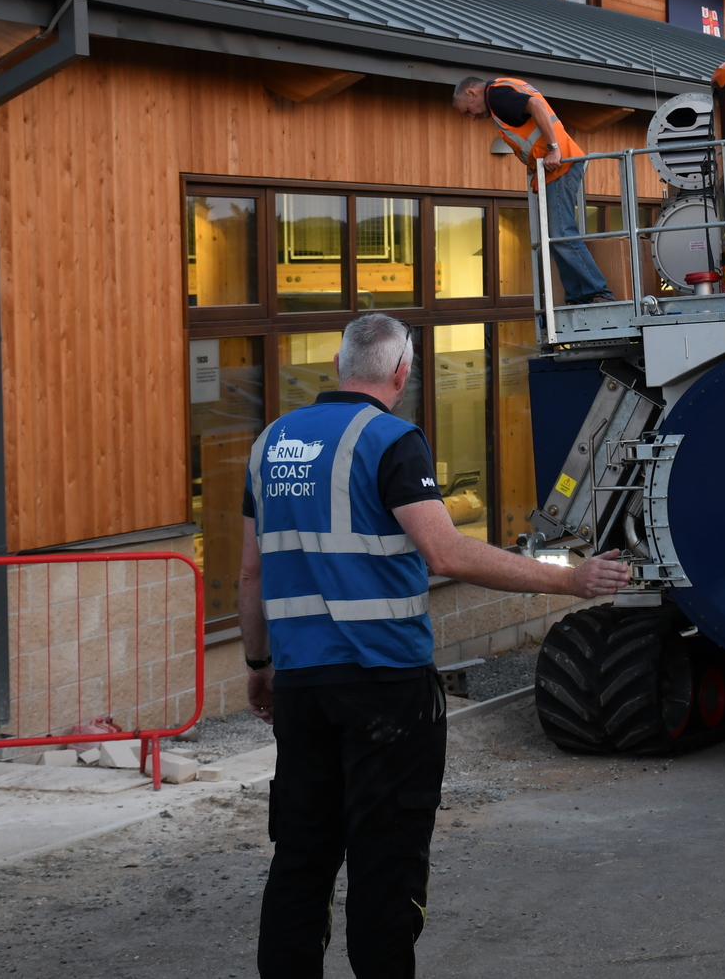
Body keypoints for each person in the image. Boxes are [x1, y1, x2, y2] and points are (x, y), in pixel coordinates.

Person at [238, 313, 627, 978]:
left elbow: (250, 572)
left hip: (302, 686)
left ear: (340, 367)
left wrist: (258, 664)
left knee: (301, 858)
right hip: (384, 689)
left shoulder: (270, 443)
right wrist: (570, 580)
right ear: (402, 372)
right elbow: (446, 553)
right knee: (385, 861)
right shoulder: (392, 441)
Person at [452, 76, 614, 305]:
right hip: (555, 167)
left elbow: (536, 106)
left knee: (562, 233)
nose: (472, 117)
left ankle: (598, 291)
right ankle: (578, 296)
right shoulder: (501, 89)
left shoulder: (496, 95)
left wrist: (553, 149)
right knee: (554, 237)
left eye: (468, 110)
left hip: (561, 165)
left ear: (471, 93)